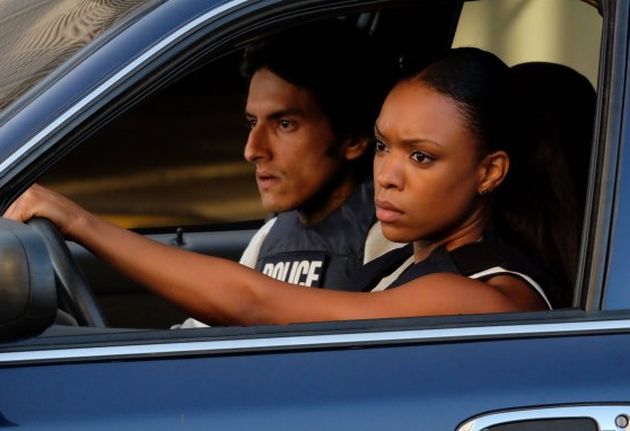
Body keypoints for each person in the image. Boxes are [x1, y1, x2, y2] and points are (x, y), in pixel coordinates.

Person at [5, 48, 559, 326]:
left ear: (490, 172)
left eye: (421, 157)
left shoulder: (476, 296)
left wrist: (81, 222)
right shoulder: (402, 264)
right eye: (384, 145)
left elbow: (254, 301)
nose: (387, 174)